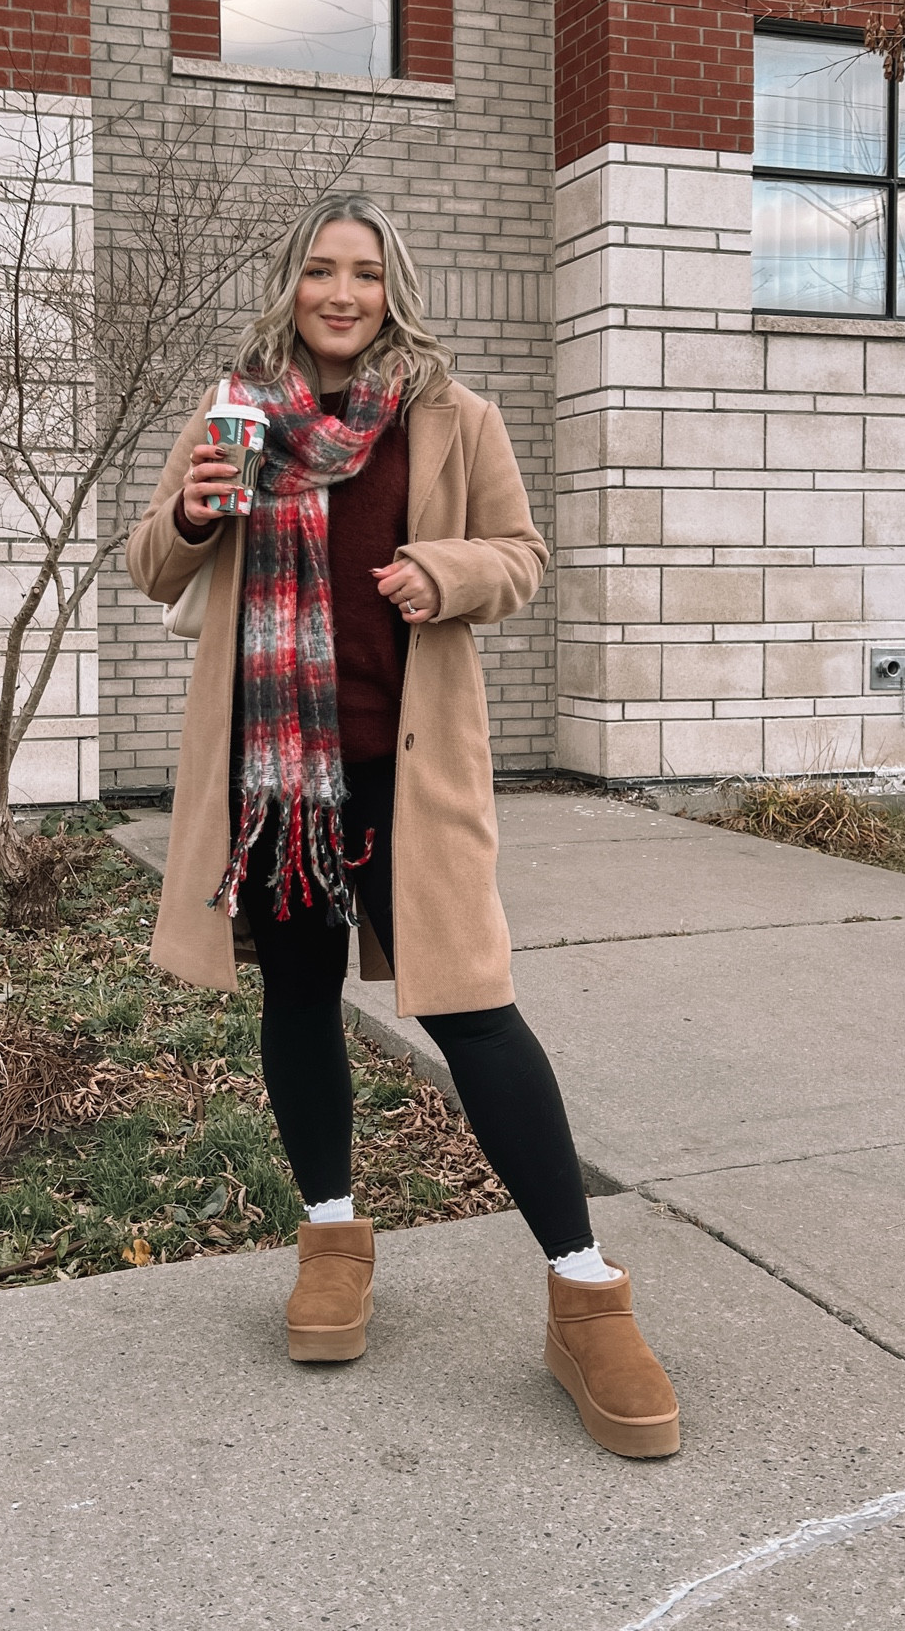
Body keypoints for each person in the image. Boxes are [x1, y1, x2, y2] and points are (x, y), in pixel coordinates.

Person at [126, 194, 679, 1459]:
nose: (340, 290)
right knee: (299, 999)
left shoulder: (452, 414)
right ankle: (331, 1233)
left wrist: (450, 571)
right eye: (319, 268)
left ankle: (585, 1289)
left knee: (473, 1007)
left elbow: (524, 555)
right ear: (291, 281)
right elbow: (155, 566)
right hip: (274, 780)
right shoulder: (234, 414)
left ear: (392, 288)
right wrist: (199, 514)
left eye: (363, 272)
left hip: (403, 773)